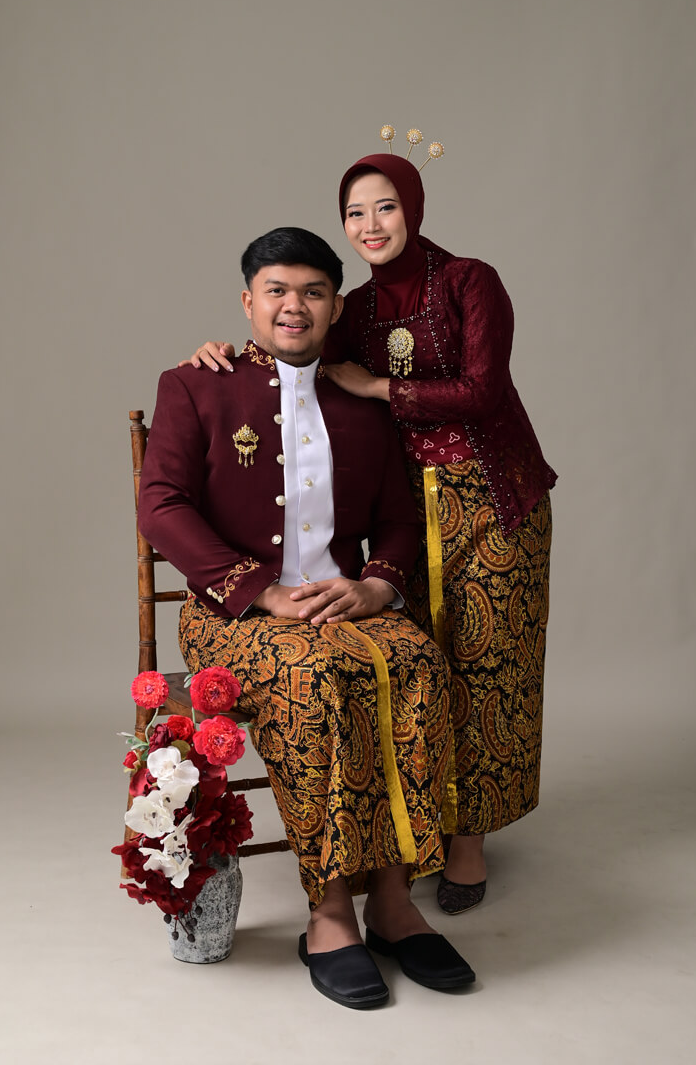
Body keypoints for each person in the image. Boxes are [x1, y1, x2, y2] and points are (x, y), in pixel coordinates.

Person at [183, 137, 556, 916]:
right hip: (402, 507)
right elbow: (295, 352)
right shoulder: (348, 306)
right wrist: (223, 355)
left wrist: (380, 387)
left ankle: (466, 840)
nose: (371, 224)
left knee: (485, 666)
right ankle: (407, 835)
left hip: (486, 496)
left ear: (412, 208)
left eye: (385, 207)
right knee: (418, 654)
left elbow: (483, 391)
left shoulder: (467, 280)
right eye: (355, 213)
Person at [139, 226, 475, 1009]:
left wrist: (377, 586)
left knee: (419, 666)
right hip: (234, 615)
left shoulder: (359, 398)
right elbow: (160, 506)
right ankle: (328, 914)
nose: (294, 306)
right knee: (315, 681)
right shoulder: (196, 385)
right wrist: (260, 590)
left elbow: (396, 520)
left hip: (344, 604)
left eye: (313, 292)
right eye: (277, 291)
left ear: (334, 306)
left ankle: (392, 902)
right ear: (248, 302)